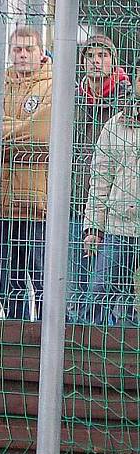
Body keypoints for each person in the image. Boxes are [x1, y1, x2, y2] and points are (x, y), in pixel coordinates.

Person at [0, 26, 52, 320]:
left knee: (42, 280)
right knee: (3, 281)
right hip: (2, 201)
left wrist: (5, 132)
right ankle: (17, 332)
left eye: (29, 49)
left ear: (41, 52)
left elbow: (43, 133)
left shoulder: (54, 85)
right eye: (17, 49)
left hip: (38, 204)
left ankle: (41, 340)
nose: (22, 55)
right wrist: (19, 131)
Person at [68, 34, 131, 322]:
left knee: (111, 286)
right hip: (76, 198)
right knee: (78, 282)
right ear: (82, 62)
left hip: (120, 205)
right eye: (90, 55)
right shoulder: (71, 98)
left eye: (103, 55)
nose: (96, 60)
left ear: (113, 60)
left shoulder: (127, 102)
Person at [82, 64, 140, 326]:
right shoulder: (115, 125)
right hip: (120, 229)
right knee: (97, 298)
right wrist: (94, 227)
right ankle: (87, 360)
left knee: (131, 310)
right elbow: (100, 180)